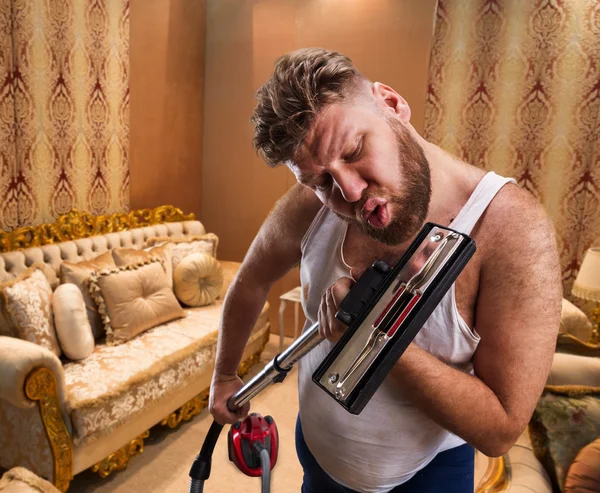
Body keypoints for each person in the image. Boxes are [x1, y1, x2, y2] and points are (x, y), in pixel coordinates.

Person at [208, 48, 562, 493]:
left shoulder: (512, 229)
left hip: (424, 478)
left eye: (355, 150)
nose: (350, 191)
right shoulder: (313, 205)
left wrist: (371, 337)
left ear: (392, 104)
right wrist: (224, 375)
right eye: (321, 182)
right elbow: (251, 280)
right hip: (317, 459)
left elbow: (501, 429)